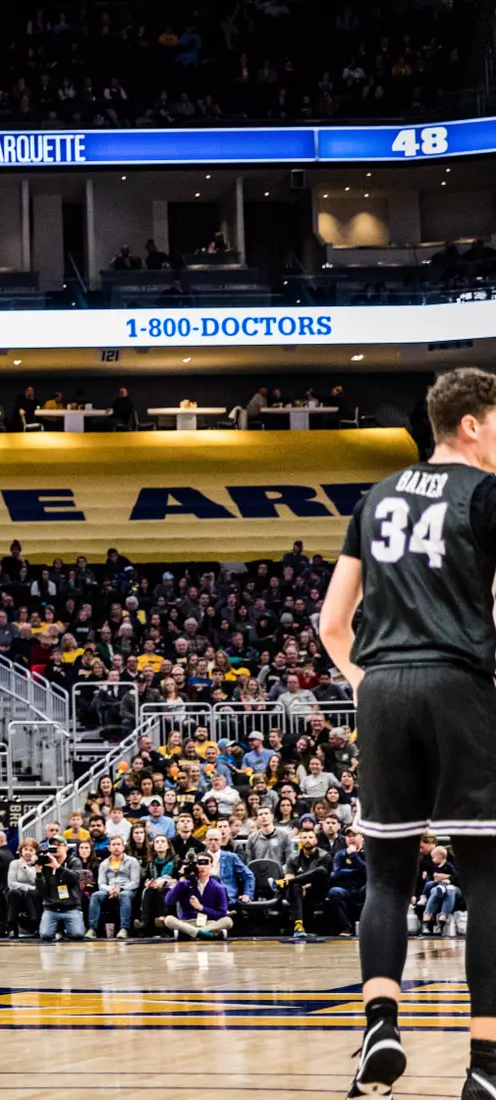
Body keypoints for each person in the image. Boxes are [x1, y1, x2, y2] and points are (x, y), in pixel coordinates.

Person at [320, 367, 496, 1099]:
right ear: (472, 425)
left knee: (387, 876)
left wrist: (367, 685)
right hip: (461, 687)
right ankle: (486, 1068)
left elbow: (332, 624)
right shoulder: (486, 496)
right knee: (486, 876)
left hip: (384, 688)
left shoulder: (376, 495)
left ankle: (381, 1023)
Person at [162, 852, 233, 939]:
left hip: (209, 923)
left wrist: (201, 908)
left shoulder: (218, 888)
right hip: (187, 922)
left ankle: (192, 933)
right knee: (168, 919)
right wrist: (180, 880)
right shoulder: (184, 884)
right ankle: (206, 934)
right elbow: (169, 901)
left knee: (228, 921)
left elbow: (222, 914)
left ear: (212, 865)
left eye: (205, 863)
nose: (202, 867)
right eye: (199, 863)